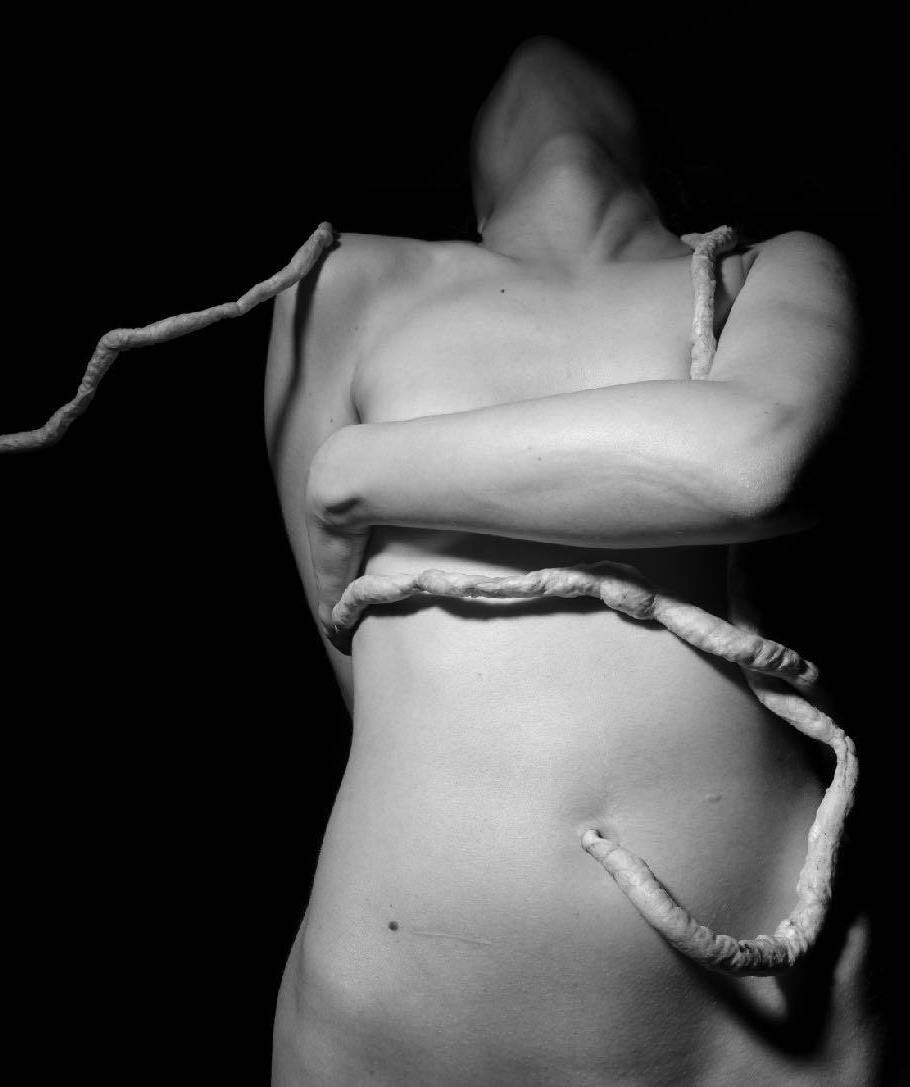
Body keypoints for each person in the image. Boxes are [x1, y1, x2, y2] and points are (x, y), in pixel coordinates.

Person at [262, 36, 875, 1084]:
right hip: (392, 1010)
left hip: (760, 1038)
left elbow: (756, 458)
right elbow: (360, 671)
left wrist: (359, 468)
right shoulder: (348, 278)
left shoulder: (769, 268)